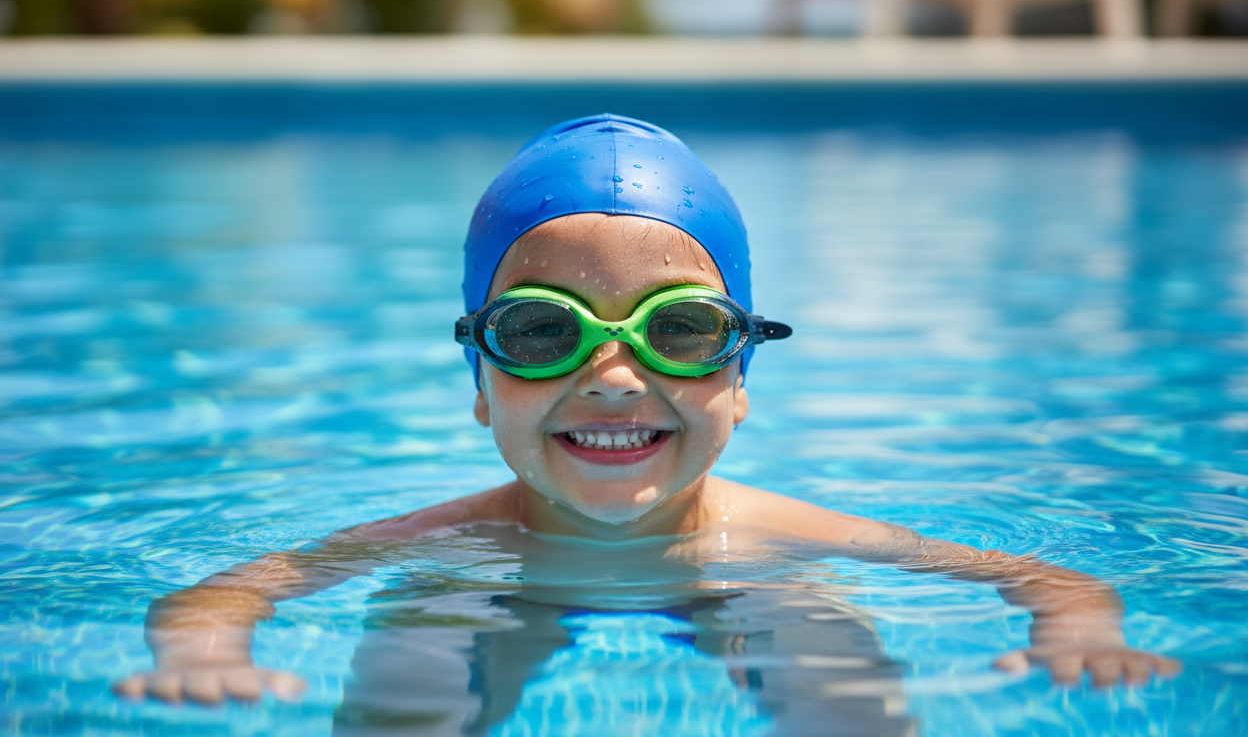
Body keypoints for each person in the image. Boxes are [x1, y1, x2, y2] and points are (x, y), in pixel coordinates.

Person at [115, 114, 1180, 734]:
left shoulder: (776, 539)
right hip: (497, 596)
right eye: (540, 332)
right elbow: (225, 591)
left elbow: (1049, 579)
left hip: (743, 592)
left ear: (744, 372)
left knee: (834, 671)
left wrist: (1078, 632)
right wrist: (207, 651)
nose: (614, 376)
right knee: (415, 656)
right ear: (480, 379)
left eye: (680, 330)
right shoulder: (452, 545)